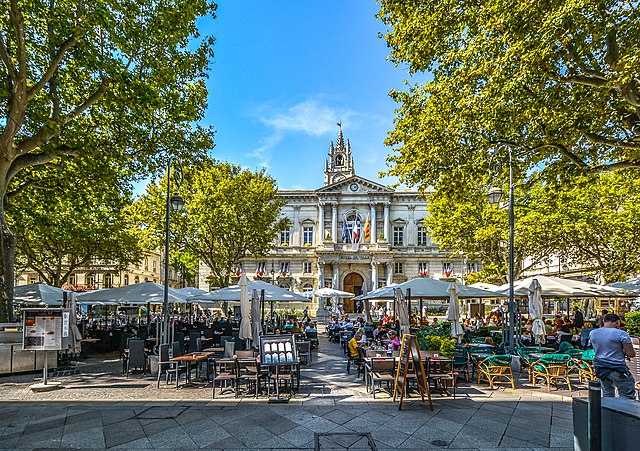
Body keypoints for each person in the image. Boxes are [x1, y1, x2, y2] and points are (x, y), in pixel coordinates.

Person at [589, 313, 636, 399]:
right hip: (617, 367)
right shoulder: (622, 334)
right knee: (627, 394)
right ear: (617, 322)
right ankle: (623, 411)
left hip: (600, 367)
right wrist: (624, 352)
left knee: (607, 394)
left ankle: (608, 412)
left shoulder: (593, 333)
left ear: (604, 321)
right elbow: (631, 354)